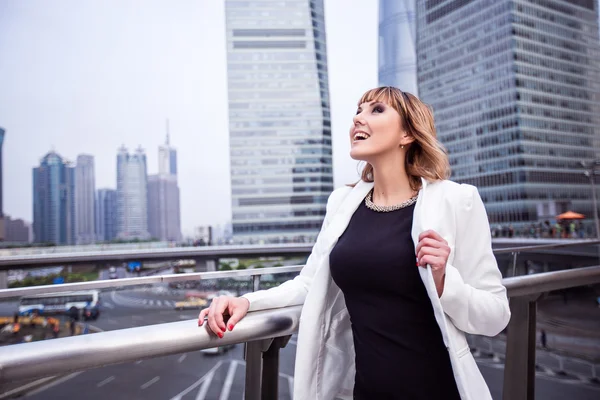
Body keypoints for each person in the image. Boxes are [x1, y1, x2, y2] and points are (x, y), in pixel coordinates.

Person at [198, 87, 510, 400]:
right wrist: (248, 303)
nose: (358, 119)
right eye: (358, 112)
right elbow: (310, 285)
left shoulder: (456, 200)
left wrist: (444, 282)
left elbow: (495, 316)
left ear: (407, 134)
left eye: (376, 110)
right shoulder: (341, 203)